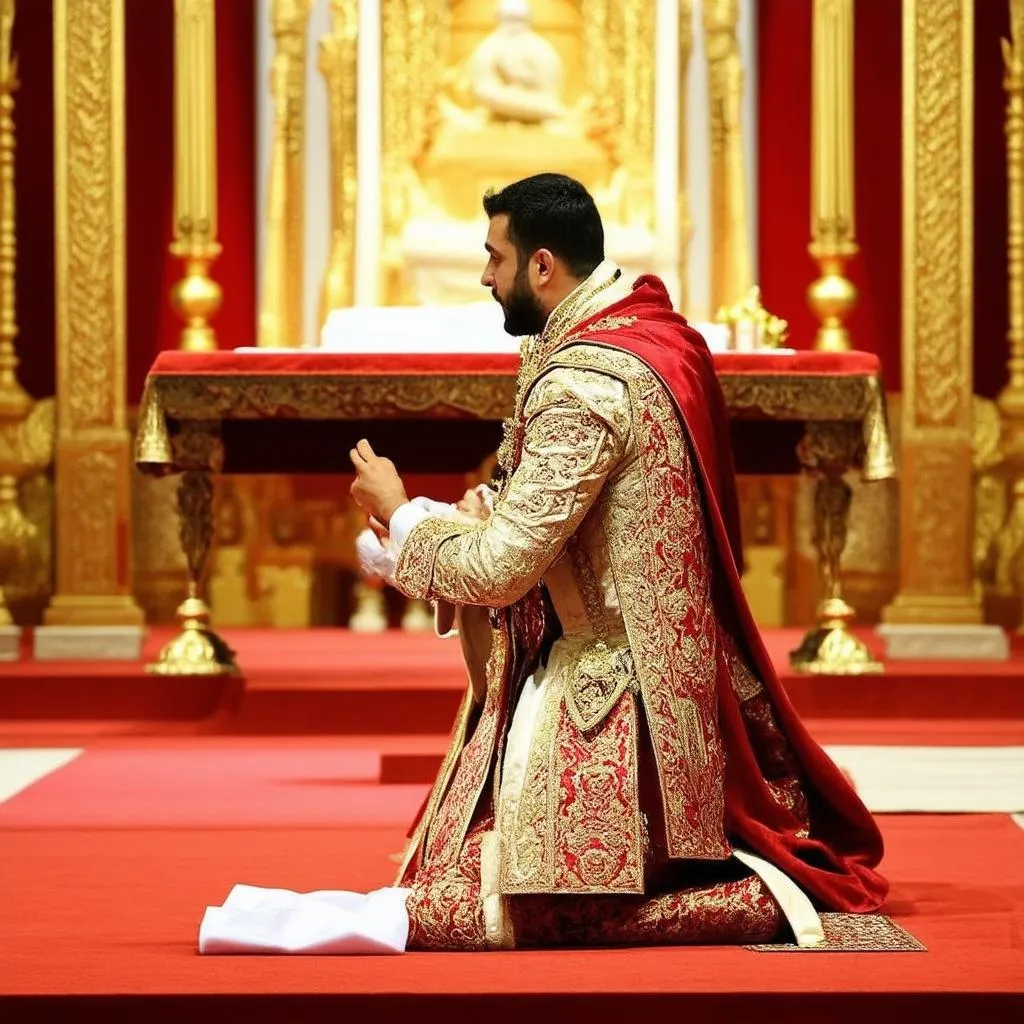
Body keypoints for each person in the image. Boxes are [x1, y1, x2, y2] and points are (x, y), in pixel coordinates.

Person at [198, 173, 887, 955]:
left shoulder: (583, 384)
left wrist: (401, 515)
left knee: (496, 910)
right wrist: (465, 514)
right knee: (466, 873)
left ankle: (767, 900)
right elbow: (577, 518)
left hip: (621, 691)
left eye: (494, 258)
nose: (484, 278)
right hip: (678, 669)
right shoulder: (645, 328)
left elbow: (500, 573)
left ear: (543, 266)